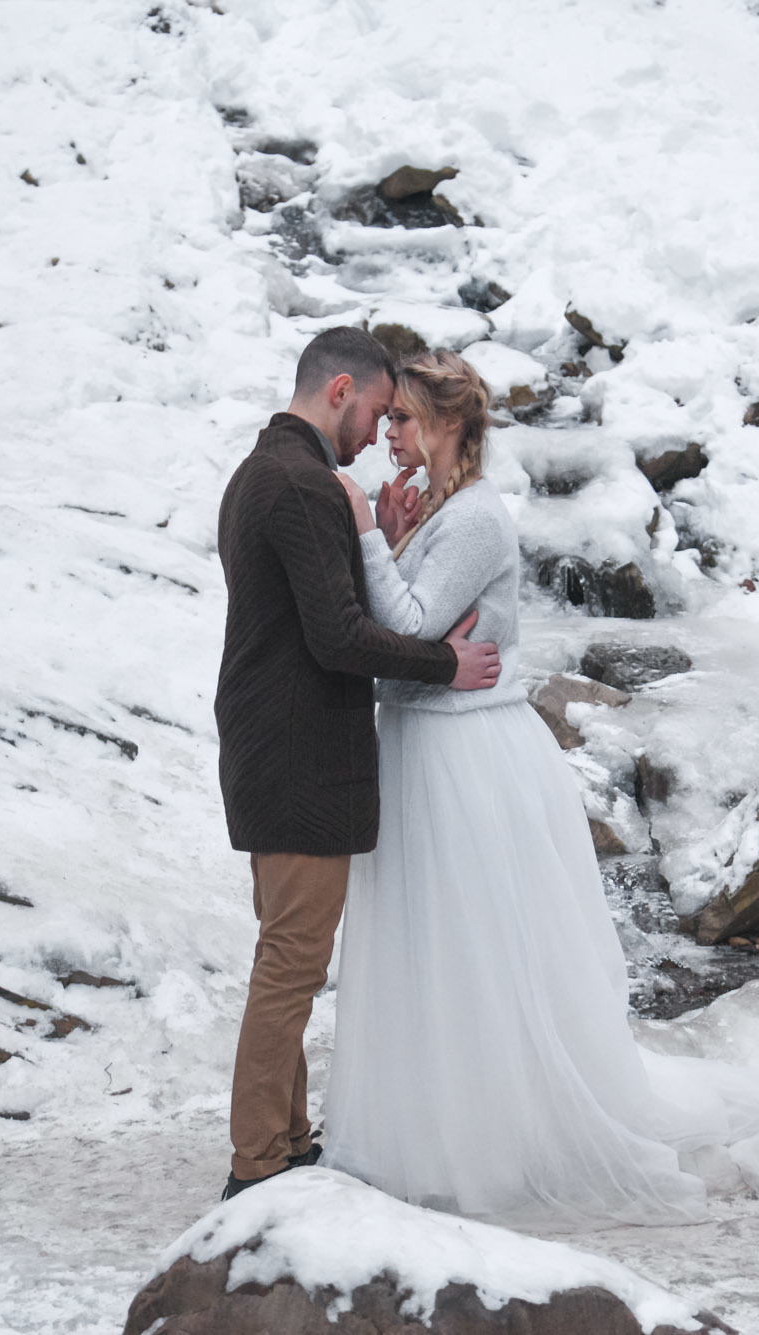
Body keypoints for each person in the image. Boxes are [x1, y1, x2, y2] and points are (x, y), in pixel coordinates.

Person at [321, 349, 759, 1227]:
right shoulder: (434, 512)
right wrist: (387, 531)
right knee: (430, 951)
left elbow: (407, 630)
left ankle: (494, 1142)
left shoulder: (477, 521)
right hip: (421, 744)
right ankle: (433, 1130)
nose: (391, 437)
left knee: (471, 952)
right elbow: (402, 649)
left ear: (451, 424)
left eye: (406, 421)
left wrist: (373, 537)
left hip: (462, 758)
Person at [214, 327, 503, 1202]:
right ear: (340, 390)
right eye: (377, 410)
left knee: (288, 953)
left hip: (272, 750)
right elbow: (339, 637)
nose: (379, 433)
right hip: (299, 758)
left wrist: (382, 533)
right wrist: (445, 666)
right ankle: (260, 1160)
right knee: (293, 962)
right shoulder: (302, 484)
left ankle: (290, 1139)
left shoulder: (266, 473)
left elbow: (322, 607)